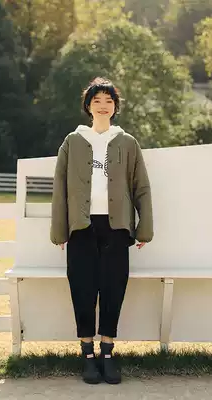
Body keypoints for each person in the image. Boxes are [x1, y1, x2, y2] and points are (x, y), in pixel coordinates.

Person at [50, 77, 153, 384]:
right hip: (81, 228)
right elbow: (59, 188)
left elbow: (141, 187)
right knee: (82, 289)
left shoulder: (127, 142)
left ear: (115, 107)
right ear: (88, 106)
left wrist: (144, 229)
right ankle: (87, 355)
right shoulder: (73, 141)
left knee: (112, 289)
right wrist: (60, 232)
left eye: (109, 101)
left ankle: (107, 353)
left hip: (116, 228)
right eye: (97, 101)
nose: (103, 105)